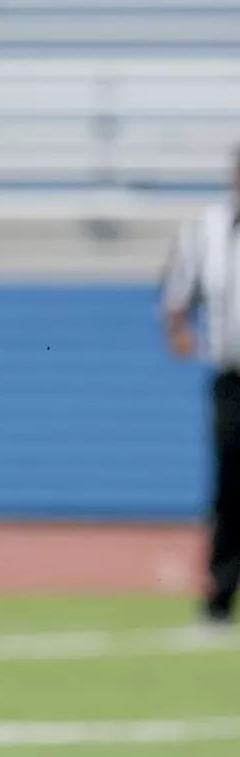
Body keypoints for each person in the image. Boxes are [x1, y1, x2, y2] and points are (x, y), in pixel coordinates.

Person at [161, 148, 240, 626]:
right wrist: (178, 331)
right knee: (230, 486)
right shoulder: (208, 229)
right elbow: (177, 296)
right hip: (230, 378)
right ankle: (219, 599)